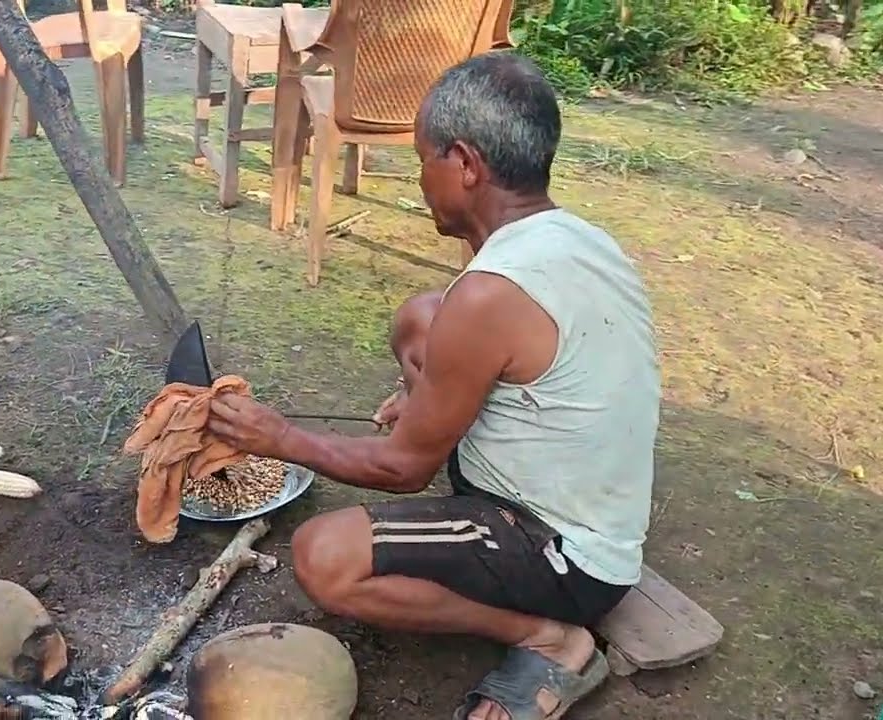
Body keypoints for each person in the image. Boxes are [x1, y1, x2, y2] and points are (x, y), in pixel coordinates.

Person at [207, 53, 661, 720]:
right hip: (589, 499)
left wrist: (278, 437)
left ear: (467, 165)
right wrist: (428, 401)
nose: (420, 181)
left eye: (425, 160)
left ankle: (549, 639)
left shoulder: (490, 294)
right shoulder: (576, 239)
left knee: (325, 556)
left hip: (565, 556)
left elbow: (403, 468)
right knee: (422, 315)